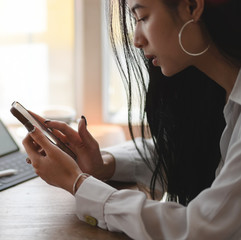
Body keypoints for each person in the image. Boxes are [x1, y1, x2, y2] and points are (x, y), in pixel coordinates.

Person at [22, 0, 241, 238]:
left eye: (142, 18)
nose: (137, 40)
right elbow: (192, 152)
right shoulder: (225, 96)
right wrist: (104, 165)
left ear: (191, 7)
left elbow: (198, 228)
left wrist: (77, 183)